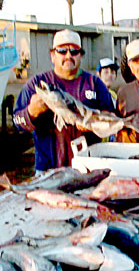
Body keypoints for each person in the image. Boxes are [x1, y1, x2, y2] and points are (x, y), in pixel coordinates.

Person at [13, 29, 115, 173]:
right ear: (52, 55)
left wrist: (94, 124)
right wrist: (31, 112)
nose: (68, 55)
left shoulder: (95, 83)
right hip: (47, 170)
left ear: (81, 55)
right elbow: (17, 122)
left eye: (74, 51)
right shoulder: (37, 84)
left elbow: (111, 116)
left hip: (89, 167)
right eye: (62, 50)